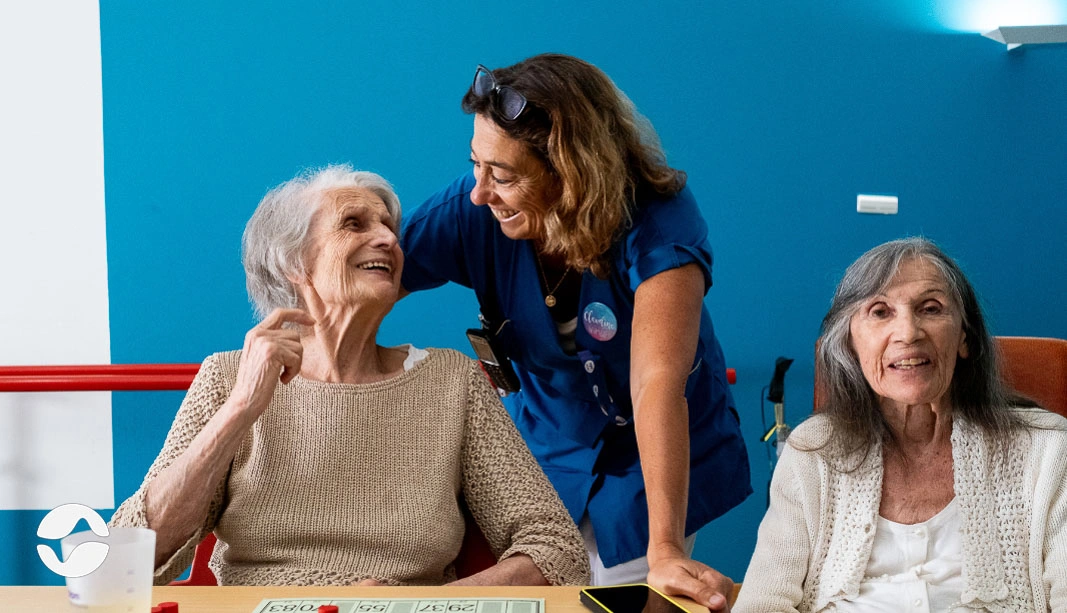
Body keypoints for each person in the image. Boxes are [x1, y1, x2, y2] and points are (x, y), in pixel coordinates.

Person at [110, 164, 589, 587]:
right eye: (354, 225)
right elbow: (125, 559)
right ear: (295, 262)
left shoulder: (452, 382)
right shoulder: (228, 377)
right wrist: (240, 409)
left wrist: (423, 610)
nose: (387, 239)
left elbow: (557, 549)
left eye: (388, 226)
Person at [400, 54, 751, 607]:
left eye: (505, 176)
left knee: (617, 594)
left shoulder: (660, 220)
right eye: (476, 164)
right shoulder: (474, 210)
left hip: (650, 458)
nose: (480, 192)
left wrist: (665, 550)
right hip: (548, 443)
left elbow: (657, 381)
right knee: (531, 590)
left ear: (570, 174)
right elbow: (368, 274)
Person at [734, 238, 1067, 612]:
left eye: (930, 308)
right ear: (850, 342)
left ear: (964, 338)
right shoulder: (813, 450)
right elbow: (763, 602)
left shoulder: (1049, 449)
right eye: (880, 312)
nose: (908, 333)